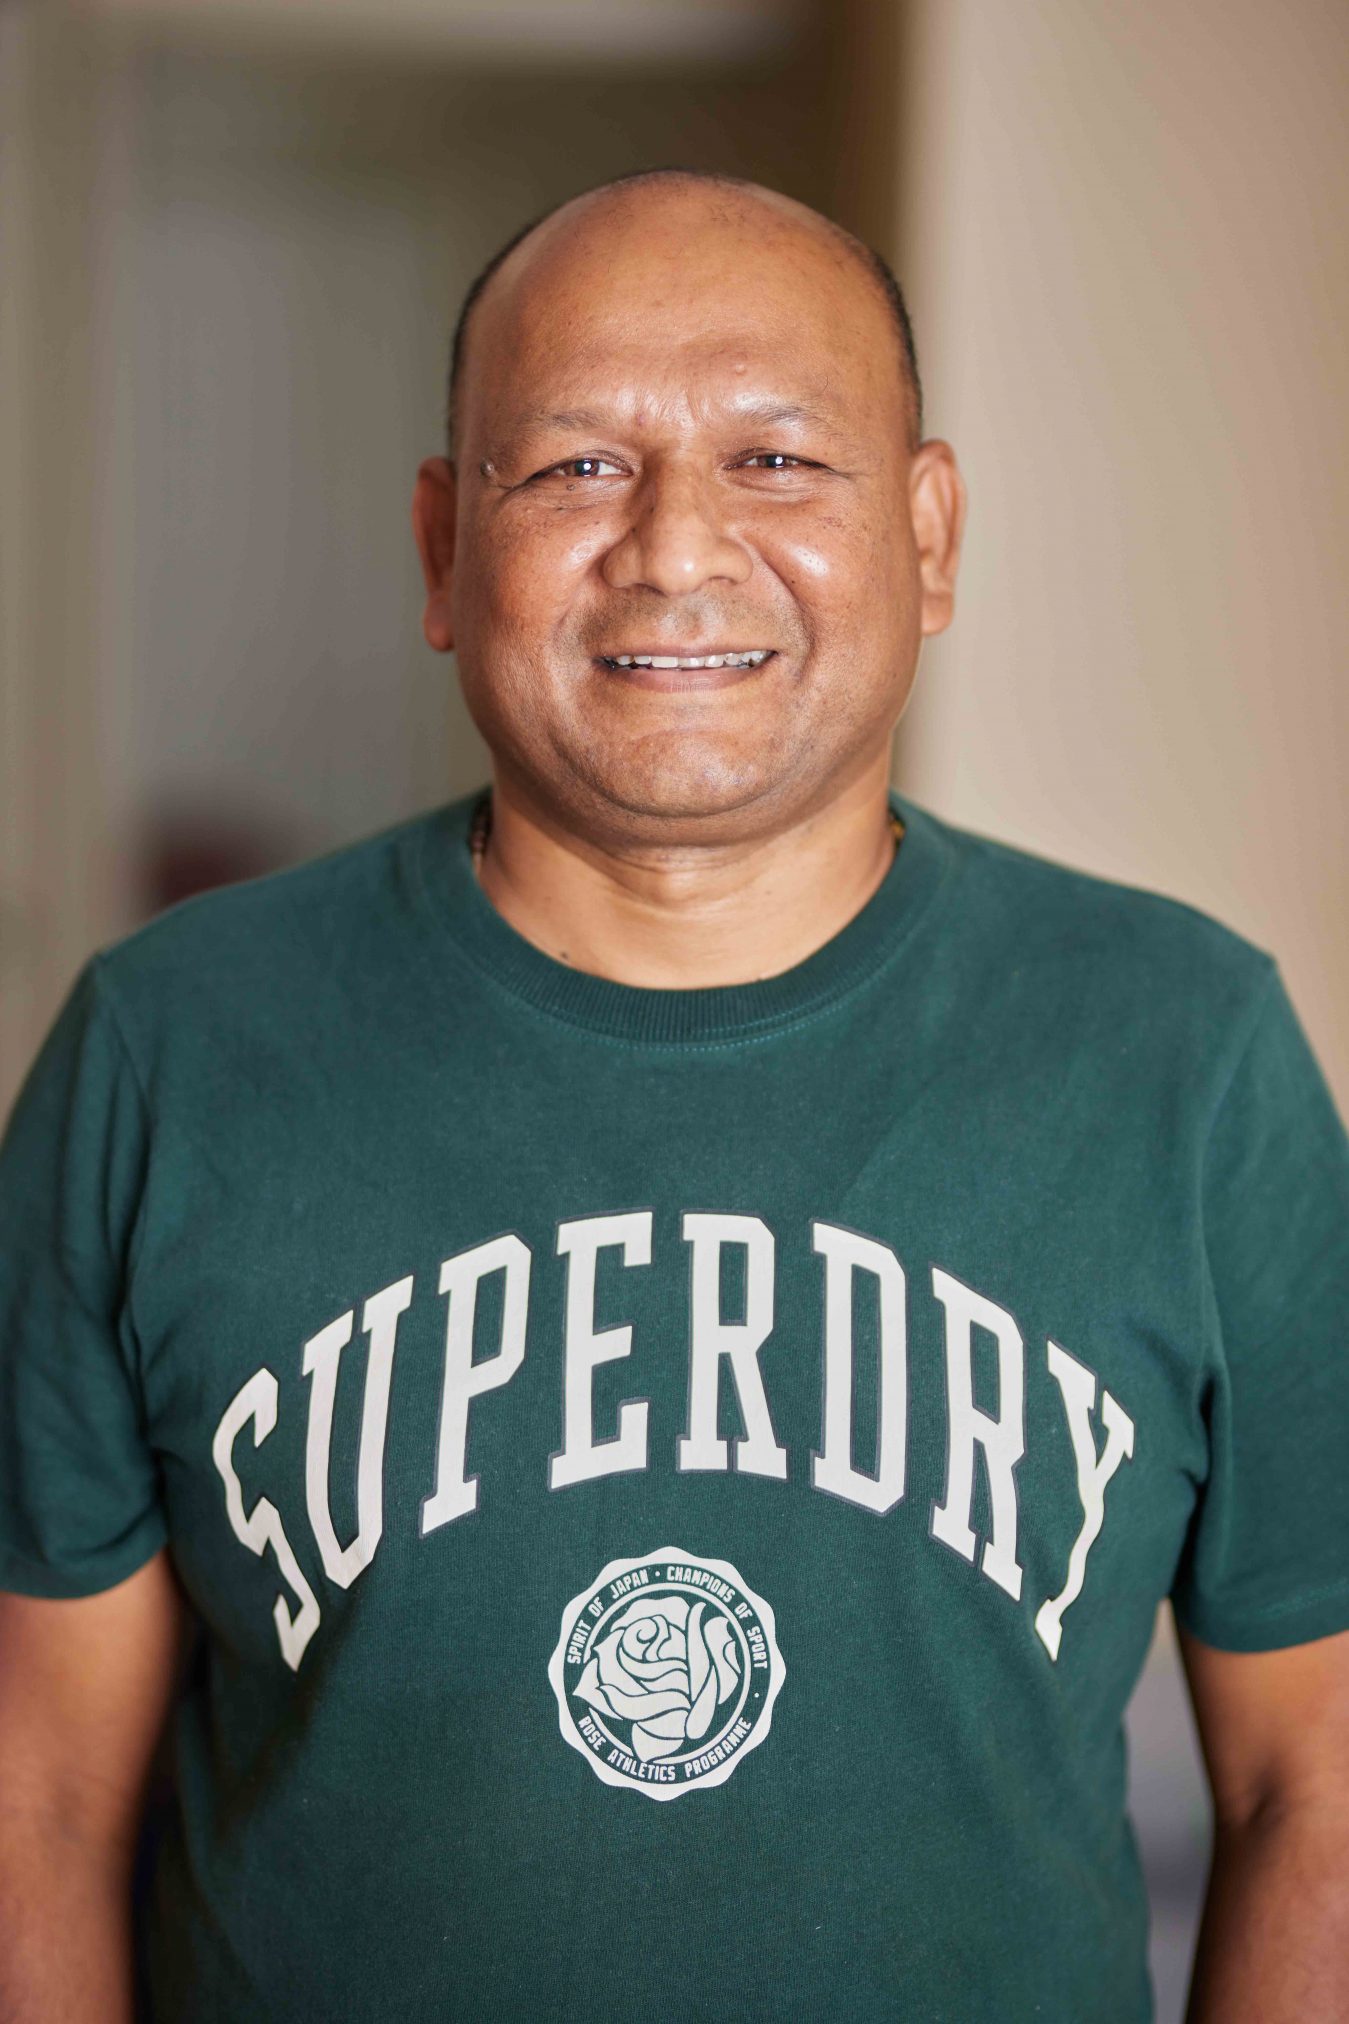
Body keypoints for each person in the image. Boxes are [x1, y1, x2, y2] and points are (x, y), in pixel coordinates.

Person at [1, 167, 1347, 2024]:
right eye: (569, 467)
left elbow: (1319, 1783)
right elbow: (39, 1797)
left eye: (780, 459)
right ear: (435, 554)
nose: (673, 548)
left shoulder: (1187, 1052)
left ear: (931, 533)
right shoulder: (163, 1050)